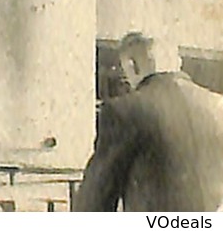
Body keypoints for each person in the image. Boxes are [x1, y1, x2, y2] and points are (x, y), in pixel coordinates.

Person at [74, 31, 223, 211]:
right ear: (178, 63)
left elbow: (93, 202)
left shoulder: (124, 111)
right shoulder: (217, 105)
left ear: (132, 66)